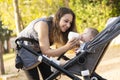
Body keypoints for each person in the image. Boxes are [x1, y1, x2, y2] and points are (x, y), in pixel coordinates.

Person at [15, 7, 79, 80]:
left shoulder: (57, 28)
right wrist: (67, 46)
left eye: (70, 23)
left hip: (39, 52)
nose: (68, 25)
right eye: (66, 21)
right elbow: (46, 51)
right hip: (26, 50)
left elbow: (55, 50)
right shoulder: (43, 25)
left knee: (49, 77)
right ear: (58, 18)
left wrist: (77, 44)